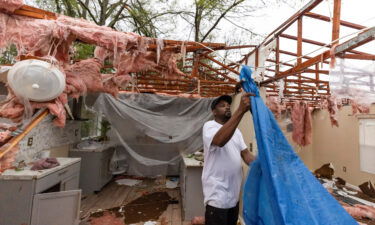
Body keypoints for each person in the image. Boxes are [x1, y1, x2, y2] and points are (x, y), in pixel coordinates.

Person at [202, 93, 256, 225]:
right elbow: (219, 140)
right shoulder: (209, 126)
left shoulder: (237, 132)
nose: (227, 107)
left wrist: (262, 166)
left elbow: (245, 154)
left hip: (234, 196)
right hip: (217, 196)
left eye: (228, 105)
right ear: (214, 112)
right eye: (222, 106)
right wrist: (240, 110)